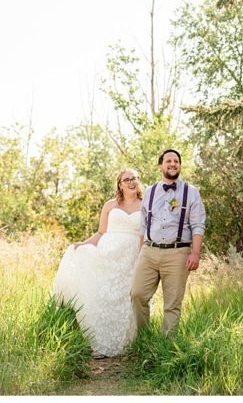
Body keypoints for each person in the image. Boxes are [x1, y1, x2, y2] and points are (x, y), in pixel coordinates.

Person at [52, 168, 145, 358]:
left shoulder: (145, 205)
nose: (131, 182)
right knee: (104, 296)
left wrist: (142, 257)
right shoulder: (110, 205)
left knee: (125, 297)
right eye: (126, 179)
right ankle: (100, 343)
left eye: (134, 178)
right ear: (120, 184)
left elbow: (145, 235)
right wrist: (83, 244)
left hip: (130, 257)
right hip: (107, 254)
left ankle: (127, 343)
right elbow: (101, 233)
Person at [130, 149, 206, 335]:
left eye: (176, 161)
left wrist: (195, 253)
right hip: (149, 251)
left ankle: (166, 348)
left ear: (179, 165)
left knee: (172, 304)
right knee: (137, 294)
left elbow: (198, 225)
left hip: (178, 253)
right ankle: (144, 338)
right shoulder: (149, 191)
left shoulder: (191, 192)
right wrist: (142, 251)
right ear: (161, 166)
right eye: (169, 161)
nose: (173, 164)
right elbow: (144, 224)